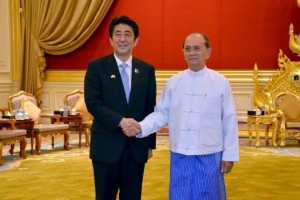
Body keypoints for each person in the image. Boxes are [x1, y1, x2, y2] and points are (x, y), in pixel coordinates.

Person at [124, 32, 239, 200]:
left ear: (208, 52)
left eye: (197, 48)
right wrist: (141, 127)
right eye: (188, 49)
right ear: (183, 52)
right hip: (180, 154)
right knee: (180, 195)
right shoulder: (174, 82)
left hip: (210, 154)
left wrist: (229, 155)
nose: (192, 53)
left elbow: (229, 121)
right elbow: (161, 114)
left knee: (209, 195)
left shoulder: (221, 82)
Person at [84, 15, 156, 200]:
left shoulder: (147, 70)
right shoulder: (96, 67)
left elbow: (150, 108)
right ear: (111, 39)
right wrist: (120, 121)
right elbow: (93, 103)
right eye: (118, 34)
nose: (122, 39)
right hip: (106, 147)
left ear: (136, 40)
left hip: (136, 148)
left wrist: (149, 144)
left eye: (127, 34)